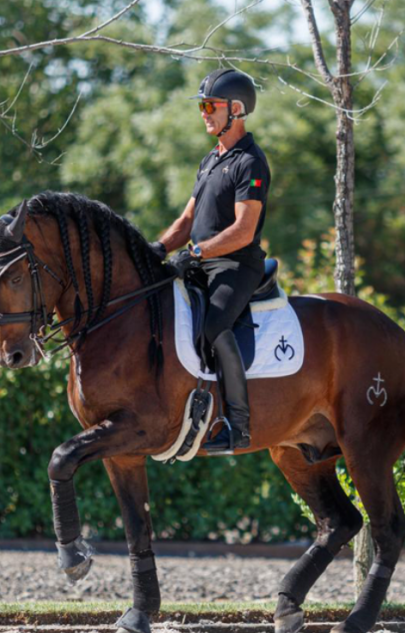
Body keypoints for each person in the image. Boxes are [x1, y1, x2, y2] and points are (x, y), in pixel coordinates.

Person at [149, 68, 271, 454]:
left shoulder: (251, 162)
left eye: (209, 106)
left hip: (237, 265)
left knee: (215, 324)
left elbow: (243, 230)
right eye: (201, 106)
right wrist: (156, 249)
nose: (203, 113)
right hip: (201, 263)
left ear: (236, 109)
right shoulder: (210, 160)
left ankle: (239, 426)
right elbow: (187, 221)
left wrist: (197, 252)